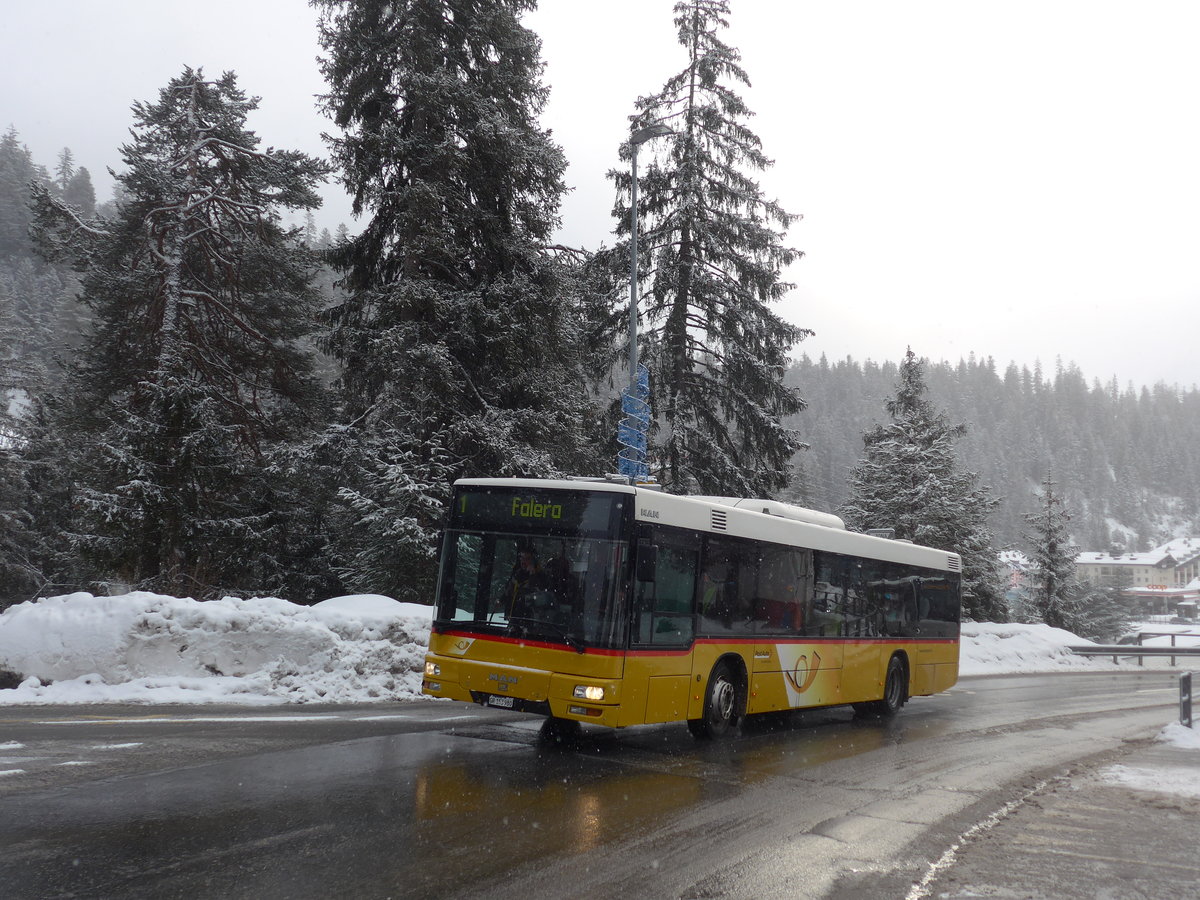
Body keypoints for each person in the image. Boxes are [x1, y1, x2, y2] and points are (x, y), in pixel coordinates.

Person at [499, 542, 547, 619]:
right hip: (514, 618)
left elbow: (538, 594)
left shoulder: (541, 576)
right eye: (522, 557)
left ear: (533, 560)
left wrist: (533, 575)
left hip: (533, 620)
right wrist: (501, 601)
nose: (523, 561)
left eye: (527, 558)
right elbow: (509, 590)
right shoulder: (517, 573)